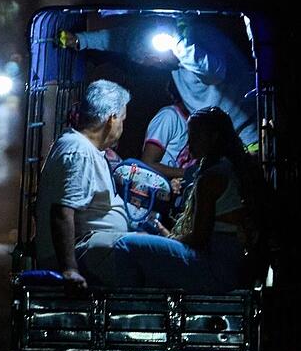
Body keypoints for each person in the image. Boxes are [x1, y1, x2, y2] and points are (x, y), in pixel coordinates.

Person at [61, 19, 257, 181]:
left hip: (245, 133)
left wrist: (178, 45)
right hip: (214, 141)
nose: (150, 66)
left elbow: (214, 72)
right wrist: (80, 40)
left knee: (245, 185)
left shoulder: (195, 41)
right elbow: (121, 40)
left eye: (149, 60)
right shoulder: (167, 57)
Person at [111, 107, 263, 293]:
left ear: (214, 137)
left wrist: (171, 238)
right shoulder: (232, 168)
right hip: (230, 265)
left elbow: (199, 239)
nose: (190, 144)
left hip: (215, 268)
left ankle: (130, 312)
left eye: (196, 137)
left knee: (125, 245)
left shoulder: (212, 177)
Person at [34, 79, 132, 289]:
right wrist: (70, 270)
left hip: (96, 249)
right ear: (111, 119)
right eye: (122, 120)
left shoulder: (86, 148)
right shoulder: (80, 152)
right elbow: (62, 213)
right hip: (85, 255)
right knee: (161, 254)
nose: (122, 127)